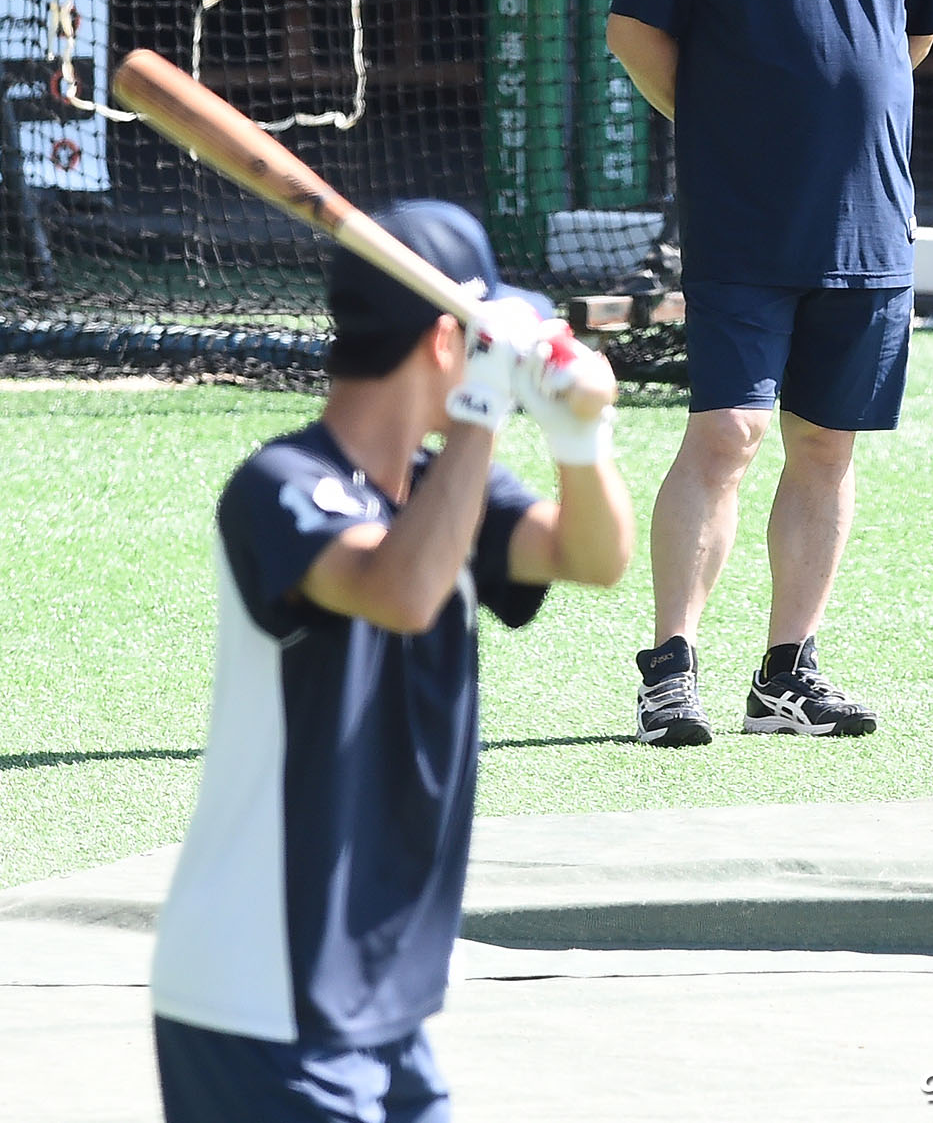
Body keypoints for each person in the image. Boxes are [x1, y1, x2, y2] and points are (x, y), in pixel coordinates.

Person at [150, 198, 633, 1121]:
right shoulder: (279, 486)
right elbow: (402, 591)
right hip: (259, 998)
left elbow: (593, 557)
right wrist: (485, 410)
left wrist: (580, 437)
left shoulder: (454, 488)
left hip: (385, 1001)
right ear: (449, 344)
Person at [606, 0, 933, 748]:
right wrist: (721, 129)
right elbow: (636, 34)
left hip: (871, 226)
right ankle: (672, 670)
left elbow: (913, 39)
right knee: (730, 431)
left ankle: (786, 676)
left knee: (826, 447)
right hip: (747, 220)